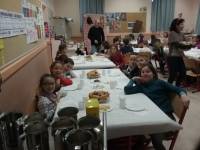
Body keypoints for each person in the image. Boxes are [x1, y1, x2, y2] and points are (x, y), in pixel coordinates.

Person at [124, 63, 190, 150]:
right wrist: (133, 79)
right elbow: (127, 90)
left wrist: (183, 95)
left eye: (148, 71)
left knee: (156, 139)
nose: (145, 73)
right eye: (143, 72)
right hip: (151, 116)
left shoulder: (160, 83)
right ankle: (139, 143)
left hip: (166, 118)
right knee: (135, 126)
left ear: (154, 74)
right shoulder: (141, 86)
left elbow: (177, 89)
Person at [167, 18, 192, 86]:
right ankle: (167, 88)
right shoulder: (172, 33)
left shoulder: (182, 34)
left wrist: (189, 44)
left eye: (183, 24)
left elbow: (186, 44)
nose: (183, 26)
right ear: (176, 25)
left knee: (183, 73)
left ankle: (177, 87)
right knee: (173, 75)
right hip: (172, 56)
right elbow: (177, 45)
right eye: (181, 24)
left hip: (180, 56)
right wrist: (186, 45)